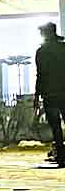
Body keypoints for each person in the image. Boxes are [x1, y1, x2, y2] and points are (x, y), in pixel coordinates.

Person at [36, 21, 65, 167]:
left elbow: (40, 75)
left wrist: (37, 96)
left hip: (50, 94)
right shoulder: (63, 48)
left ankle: (61, 156)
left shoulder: (41, 52)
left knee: (56, 127)